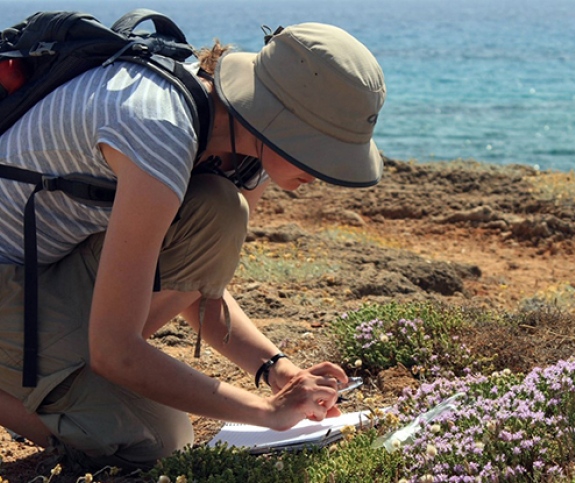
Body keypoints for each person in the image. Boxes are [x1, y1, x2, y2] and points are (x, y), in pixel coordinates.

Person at [0, 22, 386, 470]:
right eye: (321, 150)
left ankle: (70, 375)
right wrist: (268, 413)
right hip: (11, 278)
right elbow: (114, 350)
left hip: (47, 267)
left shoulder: (243, 148)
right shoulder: (160, 133)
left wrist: (278, 371)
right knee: (156, 443)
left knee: (222, 211)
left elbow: (201, 287)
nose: (322, 172)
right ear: (278, 121)